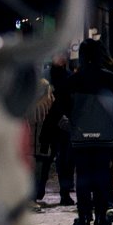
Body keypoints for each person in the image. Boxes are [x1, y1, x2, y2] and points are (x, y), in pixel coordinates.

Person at [58, 39, 113, 225]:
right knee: (102, 175)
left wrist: (73, 118)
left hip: (80, 135)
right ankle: (101, 216)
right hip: (104, 135)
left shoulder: (73, 79)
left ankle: (84, 216)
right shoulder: (109, 78)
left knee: (83, 176)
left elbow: (62, 103)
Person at [41, 53, 76, 206]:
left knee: (65, 161)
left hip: (63, 124)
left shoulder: (68, 77)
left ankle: (65, 193)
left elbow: (72, 100)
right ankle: (38, 191)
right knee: (45, 159)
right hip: (49, 123)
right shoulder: (46, 76)